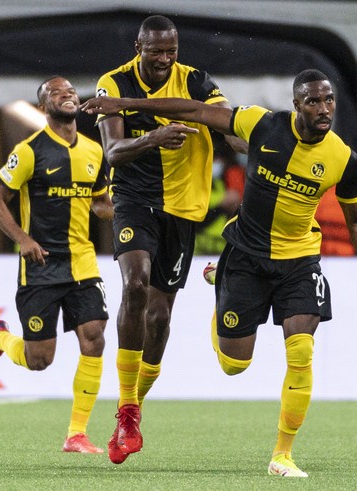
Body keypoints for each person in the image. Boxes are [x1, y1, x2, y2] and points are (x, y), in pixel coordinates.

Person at [82, 68, 357, 477]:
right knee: (234, 365)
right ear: (296, 104)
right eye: (314, 101)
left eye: (329, 100)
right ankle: (221, 285)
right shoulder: (262, 124)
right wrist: (126, 104)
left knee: (301, 352)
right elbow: (195, 110)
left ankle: (282, 455)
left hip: (300, 261)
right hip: (246, 256)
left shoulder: (343, 159)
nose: (324, 109)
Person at [92, 14, 247, 464]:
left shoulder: (196, 81)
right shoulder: (113, 83)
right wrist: (156, 137)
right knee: (135, 284)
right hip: (134, 200)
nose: (163, 60)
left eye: (171, 52)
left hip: (182, 209)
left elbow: (226, 124)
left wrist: (255, 136)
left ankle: (134, 406)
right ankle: (125, 409)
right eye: (155, 51)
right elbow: (113, 153)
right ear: (138, 46)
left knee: (159, 317)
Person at [0, 76, 114, 454]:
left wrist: (115, 209)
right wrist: (23, 239)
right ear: (43, 107)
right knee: (40, 360)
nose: (67, 95)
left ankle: (77, 433)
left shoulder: (93, 149)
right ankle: (0, 338)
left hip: (81, 262)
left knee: (95, 336)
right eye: (56, 93)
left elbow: (99, 200)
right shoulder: (30, 151)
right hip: (40, 266)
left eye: (70, 91)